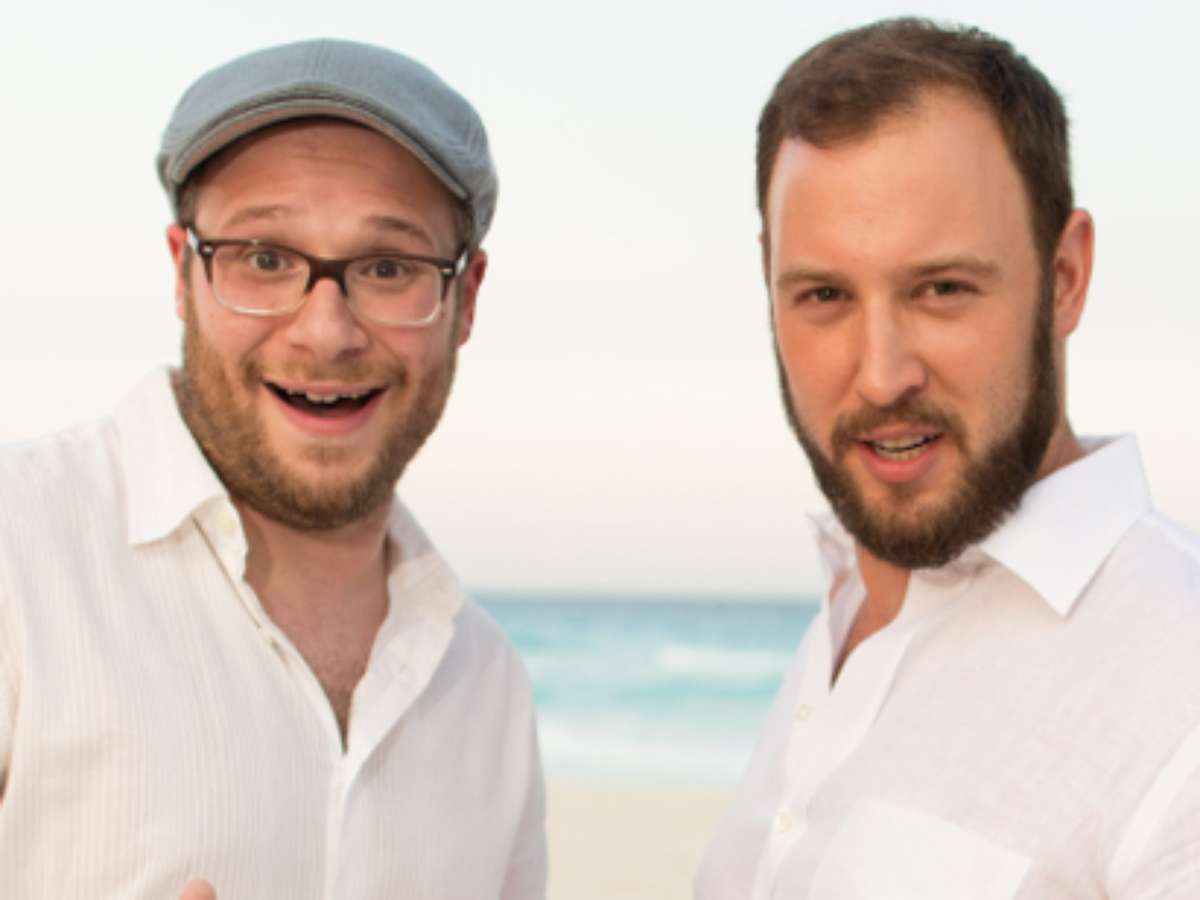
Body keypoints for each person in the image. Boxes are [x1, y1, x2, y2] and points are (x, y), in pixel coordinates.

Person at [0, 39, 545, 899]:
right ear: (183, 274)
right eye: (263, 259)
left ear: (465, 300)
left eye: (388, 268)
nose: (325, 332)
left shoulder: (487, 686)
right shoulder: (17, 558)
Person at [696, 18, 1200, 900]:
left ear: (1065, 277)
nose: (882, 374)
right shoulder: (844, 617)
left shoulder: (1177, 682)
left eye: (941, 289)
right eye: (824, 294)